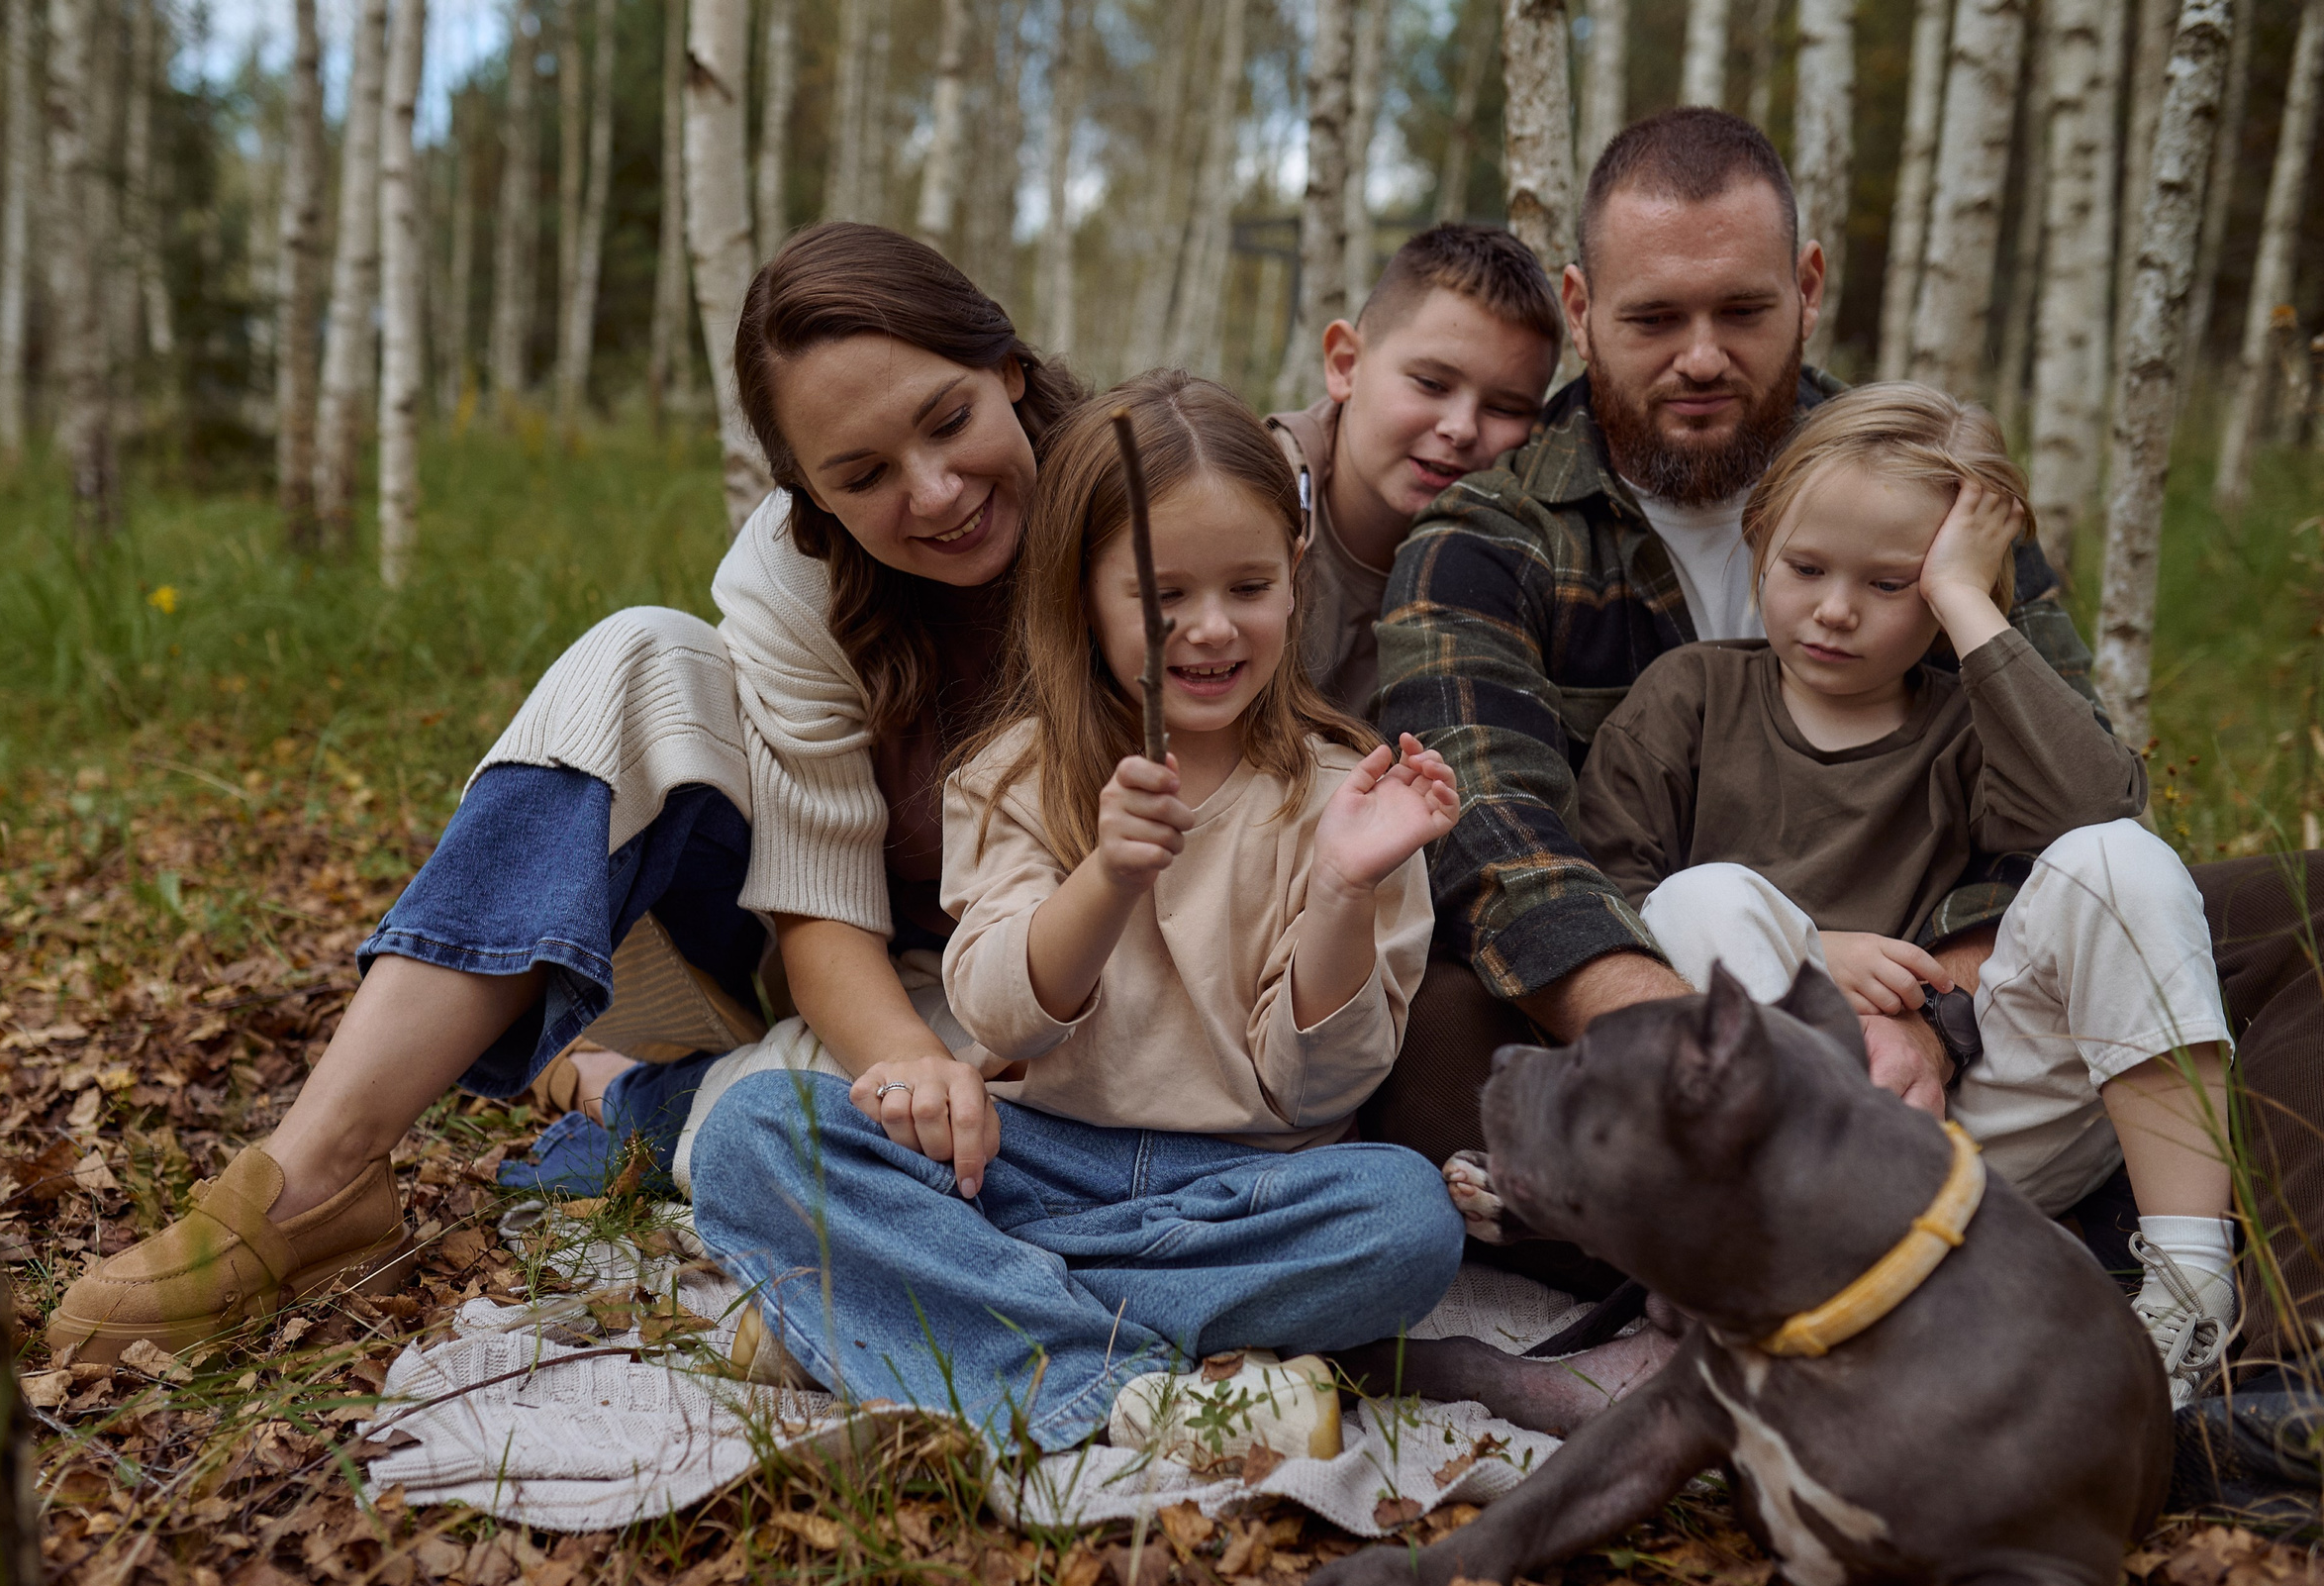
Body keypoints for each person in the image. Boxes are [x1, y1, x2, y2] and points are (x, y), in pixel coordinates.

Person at [1367, 105, 2323, 1451]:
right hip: (1690, 1058)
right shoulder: (1490, 532)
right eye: (1654, 318)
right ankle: (1829, 1271)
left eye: (1742, 310)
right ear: (1579, 310)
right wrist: (1770, 1050)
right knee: (1442, 1016)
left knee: (2286, 908)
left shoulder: (1930, 480)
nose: (1703, 355)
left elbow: (2075, 801)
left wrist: (1940, 1014)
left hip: (1972, 1038)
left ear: (1808, 286)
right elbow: (1503, 841)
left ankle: (2245, 1369)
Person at [43, 224, 1090, 1362]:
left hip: (1061, 990)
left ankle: (620, 1092)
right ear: (809, 493)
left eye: (948, 420)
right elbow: (822, 912)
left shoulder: (1147, 506)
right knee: (643, 651)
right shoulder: (796, 570)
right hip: (818, 963)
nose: (934, 492)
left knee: (952, 1123)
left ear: (1007, 366)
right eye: (863, 475)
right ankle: (314, 1177)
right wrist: (908, 1071)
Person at [686, 372, 1466, 1462]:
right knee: (756, 1134)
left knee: (1407, 1217)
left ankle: (922, 1306)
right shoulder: (1012, 776)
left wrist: (1339, 889)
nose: (1209, 628)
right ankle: (1140, 1391)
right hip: (1026, 1160)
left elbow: (1321, 1089)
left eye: (1248, 585)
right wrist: (1105, 876)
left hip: (1242, 1189)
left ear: (1294, 575)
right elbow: (1001, 1018)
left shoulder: (1351, 800)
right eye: (1160, 595)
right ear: (1083, 596)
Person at [1565, 382, 2235, 1406]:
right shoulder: (1691, 695)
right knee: (1699, 898)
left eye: (1892, 583)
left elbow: (2096, 806)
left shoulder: (1972, 723)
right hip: (1761, 1146)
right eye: (1806, 568)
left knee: (2121, 861)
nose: (1836, 609)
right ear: (1759, 539)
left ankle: (2190, 1294)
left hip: (1962, 1128)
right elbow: (1607, 899)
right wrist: (1812, 955)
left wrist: (1966, 598)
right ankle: (1793, 1268)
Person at [1267, 224, 1563, 721]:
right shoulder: (1251, 500)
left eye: (1506, 408)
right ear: (1345, 364)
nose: (1461, 428)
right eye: (1431, 383)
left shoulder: (1534, 553)